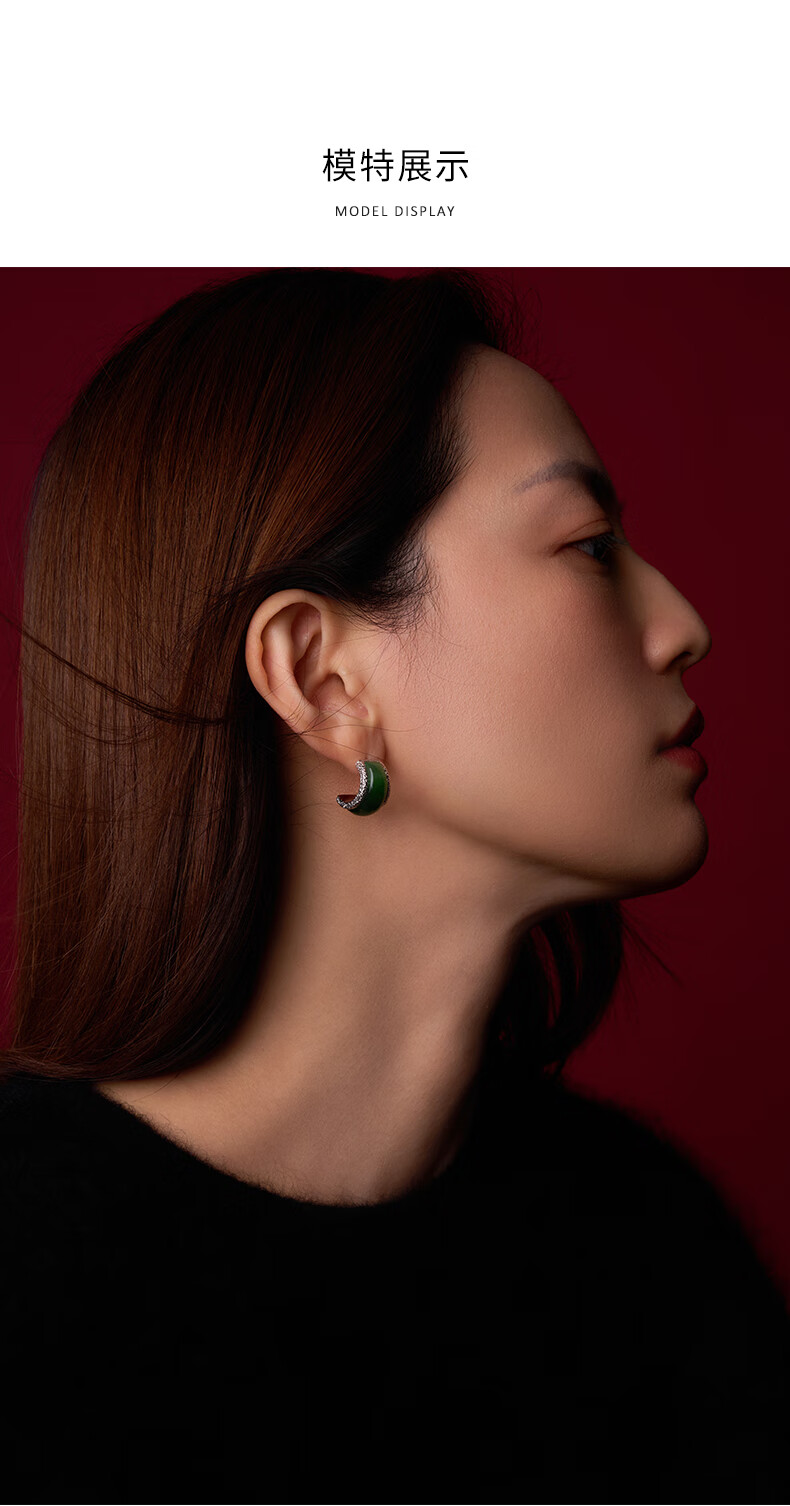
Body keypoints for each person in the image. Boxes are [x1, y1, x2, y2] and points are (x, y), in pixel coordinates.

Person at [0, 267, 787, 1504]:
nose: (682, 622)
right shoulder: (25, 1282)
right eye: (588, 549)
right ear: (321, 678)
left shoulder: (652, 1255)